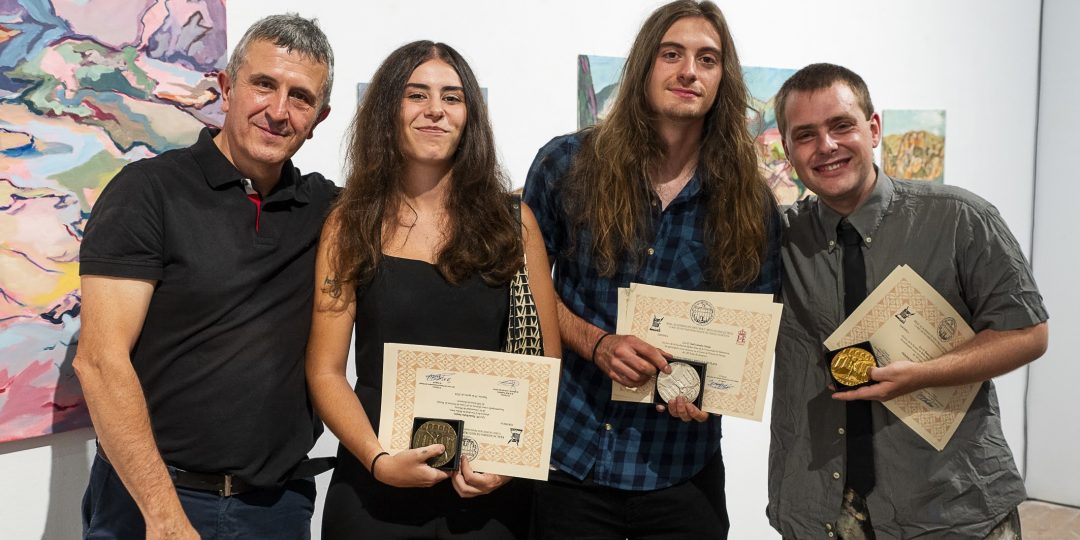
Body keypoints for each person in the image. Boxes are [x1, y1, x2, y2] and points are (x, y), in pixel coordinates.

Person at [522, 1, 780, 538]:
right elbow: (526, 288)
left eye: (707, 60)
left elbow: (755, 326)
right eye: (672, 54)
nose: (689, 71)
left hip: (681, 470)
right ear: (644, 66)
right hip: (567, 459)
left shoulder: (751, 203)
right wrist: (596, 343)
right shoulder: (566, 165)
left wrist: (717, 392)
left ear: (721, 82)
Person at [74, 14, 335, 539]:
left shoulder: (324, 209)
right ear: (226, 87)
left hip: (276, 508)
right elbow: (100, 361)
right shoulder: (147, 192)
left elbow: (425, 218)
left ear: (320, 116)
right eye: (264, 84)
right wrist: (164, 516)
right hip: (151, 503)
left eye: (300, 97)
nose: (279, 111)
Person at [767, 63, 1048, 539]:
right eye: (807, 135)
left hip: (950, 506)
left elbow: (1028, 334)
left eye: (841, 125)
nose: (827, 146)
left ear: (873, 129)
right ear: (789, 153)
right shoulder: (778, 239)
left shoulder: (960, 219)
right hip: (822, 511)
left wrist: (923, 375)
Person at [305, 40, 560, 540]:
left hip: (487, 496)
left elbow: (544, 364)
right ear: (387, 111)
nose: (435, 111)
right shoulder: (350, 222)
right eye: (416, 94)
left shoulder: (514, 223)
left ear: (470, 116)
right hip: (376, 490)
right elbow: (325, 370)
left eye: (453, 97)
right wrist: (378, 461)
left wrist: (509, 461)